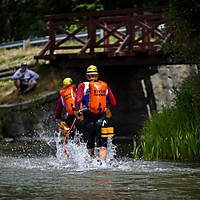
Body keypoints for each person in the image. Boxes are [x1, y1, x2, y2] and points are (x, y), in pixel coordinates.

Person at [75, 65, 116, 161]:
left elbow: (78, 100)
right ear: (97, 76)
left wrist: (77, 111)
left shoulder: (82, 85)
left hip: (87, 120)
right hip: (101, 119)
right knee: (102, 146)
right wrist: (106, 107)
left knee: (90, 146)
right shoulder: (104, 86)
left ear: (87, 76)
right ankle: (101, 165)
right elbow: (113, 102)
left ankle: (91, 166)